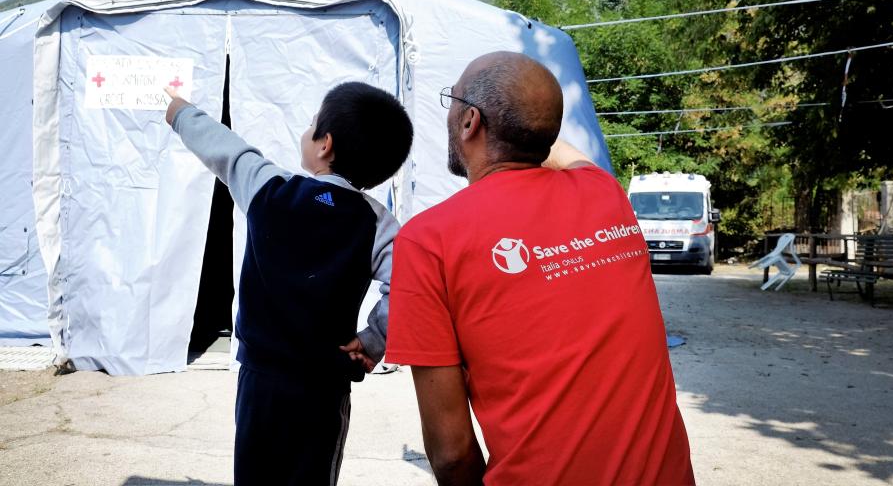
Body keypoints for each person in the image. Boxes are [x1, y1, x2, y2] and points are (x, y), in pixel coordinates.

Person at [385, 52, 695, 485]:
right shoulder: (604, 192)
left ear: (470, 120)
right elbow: (559, 148)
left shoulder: (428, 240)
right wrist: (526, 116)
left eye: (451, 101)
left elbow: (452, 454)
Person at [164, 81, 413, 485]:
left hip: (260, 381)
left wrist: (180, 112)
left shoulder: (270, 189)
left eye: (313, 123)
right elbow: (410, 287)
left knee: (255, 474)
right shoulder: (377, 223)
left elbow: (225, 148)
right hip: (324, 386)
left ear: (324, 145)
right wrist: (373, 339)